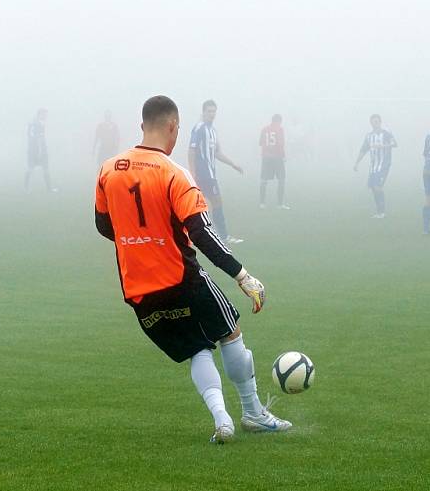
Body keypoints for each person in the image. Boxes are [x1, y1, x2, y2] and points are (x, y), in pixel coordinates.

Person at [95, 95, 291, 444]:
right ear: (173, 127)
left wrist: (138, 241)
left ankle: (222, 420)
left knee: (196, 350)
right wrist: (242, 276)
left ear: (143, 126)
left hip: (138, 289)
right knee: (229, 332)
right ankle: (253, 413)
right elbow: (201, 231)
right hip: (180, 278)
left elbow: (103, 225)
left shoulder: (109, 169)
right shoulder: (174, 173)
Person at [188, 100, 244, 244]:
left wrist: (233, 164)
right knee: (211, 202)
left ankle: (208, 235)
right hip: (202, 175)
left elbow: (217, 153)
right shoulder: (199, 128)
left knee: (206, 203)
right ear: (203, 112)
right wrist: (193, 173)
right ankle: (222, 236)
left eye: (214, 111)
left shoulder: (213, 131)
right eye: (209, 111)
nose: (212, 114)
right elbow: (191, 150)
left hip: (211, 175)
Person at [353, 114, 397, 218]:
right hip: (373, 166)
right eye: (373, 122)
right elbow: (363, 150)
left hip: (384, 164)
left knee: (377, 186)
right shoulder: (369, 136)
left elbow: (395, 144)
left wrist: (383, 146)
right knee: (373, 187)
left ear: (380, 122)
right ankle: (379, 212)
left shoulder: (386, 133)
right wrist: (356, 163)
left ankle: (382, 212)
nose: (374, 124)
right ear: (370, 123)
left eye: (376, 121)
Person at [258, 114, 289, 209]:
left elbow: (260, 142)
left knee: (264, 181)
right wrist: (283, 156)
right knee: (281, 180)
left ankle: (262, 203)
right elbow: (280, 144)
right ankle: (280, 204)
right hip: (277, 157)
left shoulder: (264, 129)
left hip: (266, 157)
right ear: (279, 121)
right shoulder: (280, 129)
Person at [25, 108, 58, 193]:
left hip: (39, 150)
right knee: (31, 168)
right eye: (44, 114)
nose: (46, 116)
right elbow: (34, 138)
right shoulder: (36, 124)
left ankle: (49, 188)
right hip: (36, 151)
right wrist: (39, 150)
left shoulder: (37, 123)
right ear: (40, 114)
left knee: (45, 169)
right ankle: (27, 188)